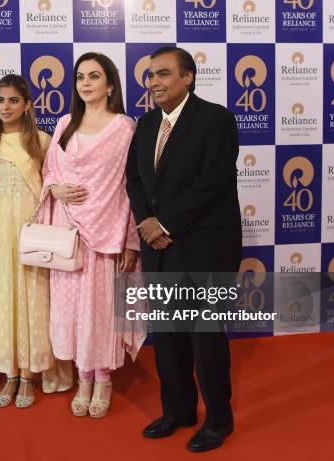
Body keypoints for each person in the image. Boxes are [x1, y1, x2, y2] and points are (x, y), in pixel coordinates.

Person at [126, 47, 242, 452]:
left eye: (163, 74)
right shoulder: (144, 125)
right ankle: (178, 411)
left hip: (204, 247)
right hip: (158, 248)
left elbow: (212, 182)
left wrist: (166, 223)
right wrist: (147, 225)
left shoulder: (216, 119)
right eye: (150, 76)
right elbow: (134, 181)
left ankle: (218, 420)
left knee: (205, 339)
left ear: (188, 77)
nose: (154, 82)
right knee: (170, 337)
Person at [42, 53, 144, 419]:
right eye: (80, 77)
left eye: (94, 76)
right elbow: (49, 171)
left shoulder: (124, 128)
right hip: (67, 236)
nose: (85, 83)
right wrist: (56, 190)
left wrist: (131, 239)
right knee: (72, 313)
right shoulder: (65, 123)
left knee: (101, 312)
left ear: (110, 84)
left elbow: (131, 187)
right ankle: (82, 379)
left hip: (108, 234)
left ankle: (103, 380)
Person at [0, 74, 67, 408]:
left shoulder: (41, 140)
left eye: (13, 100)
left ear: (27, 105)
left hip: (32, 227)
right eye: (0, 100)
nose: (6, 107)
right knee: (4, 300)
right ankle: (9, 375)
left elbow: (52, 189)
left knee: (32, 299)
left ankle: (29, 376)